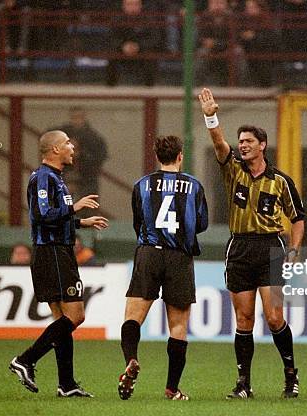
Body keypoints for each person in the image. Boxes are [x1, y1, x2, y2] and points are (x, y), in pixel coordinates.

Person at [198, 88, 304, 399]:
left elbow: (297, 219)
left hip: (271, 247)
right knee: (244, 318)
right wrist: (210, 116)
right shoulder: (232, 170)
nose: (242, 145)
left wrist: (294, 249)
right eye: (240, 141)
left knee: (274, 318)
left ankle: (290, 375)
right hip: (240, 247)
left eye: (248, 142)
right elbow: (219, 143)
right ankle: (244, 384)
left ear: (262, 146)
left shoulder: (281, 181)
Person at [8, 130, 109, 398]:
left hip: (56, 251)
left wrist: (79, 222)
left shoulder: (55, 178)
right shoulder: (43, 177)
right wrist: (75, 209)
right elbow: (41, 216)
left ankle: (66, 384)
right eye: (67, 143)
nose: (72, 147)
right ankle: (26, 360)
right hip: (52, 252)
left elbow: (55, 216)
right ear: (54, 150)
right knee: (76, 316)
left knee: (62, 320)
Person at [117, 135, 208, 401]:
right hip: (179, 256)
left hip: (148, 253)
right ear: (180, 155)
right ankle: (171, 389)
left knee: (133, 316)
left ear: (157, 156)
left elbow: (138, 220)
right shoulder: (194, 186)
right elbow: (201, 223)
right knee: (178, 326)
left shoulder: (142, 185)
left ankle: (131, 359)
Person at [52, 106, 108, 199]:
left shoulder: (94, 138)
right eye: (74, 117)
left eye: (79, 117)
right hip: (63, 178)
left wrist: (82, 155)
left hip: (87, 181)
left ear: (84, 118)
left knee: (86, 210)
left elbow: (99, 157)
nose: (77, 121)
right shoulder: (60, 135)